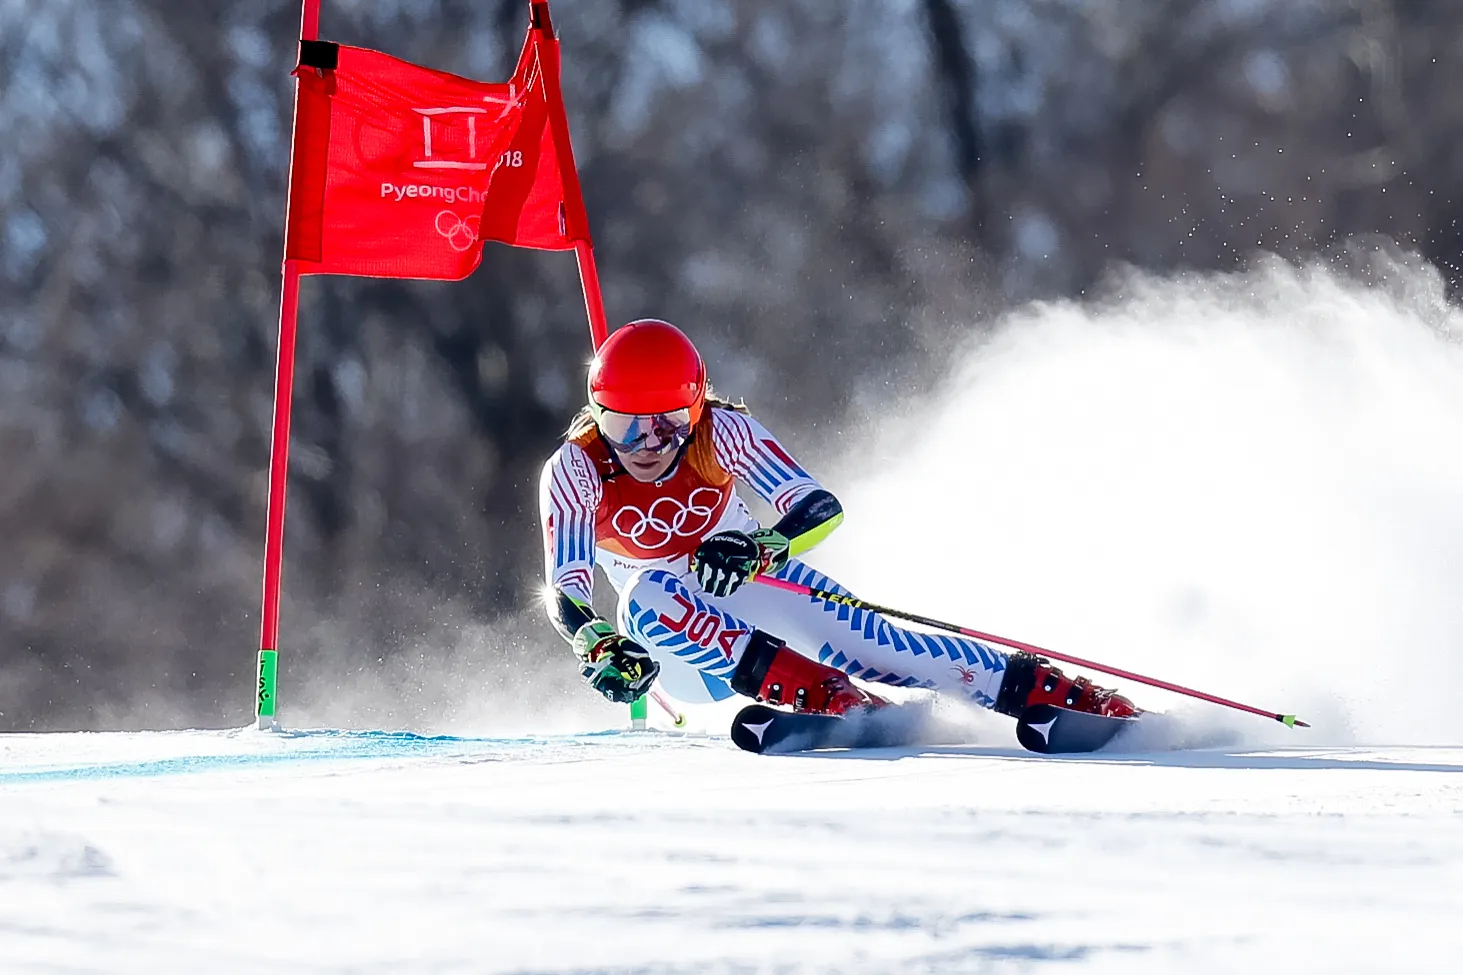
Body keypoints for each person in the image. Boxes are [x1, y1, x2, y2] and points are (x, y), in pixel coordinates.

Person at [538, 318, 1135, 723]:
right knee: (647, 593)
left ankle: (1058, 694)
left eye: (666, 423)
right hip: (675, 654)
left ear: (694, 410)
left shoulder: (724, 434)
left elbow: (819, 507)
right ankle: (822, 693)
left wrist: (758, 545)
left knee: (883, 645)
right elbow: (565, 591)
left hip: (750, 590)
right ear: (598, 414)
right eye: (624, 425)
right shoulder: (576, 468)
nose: (647, 444)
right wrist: (598, 643)